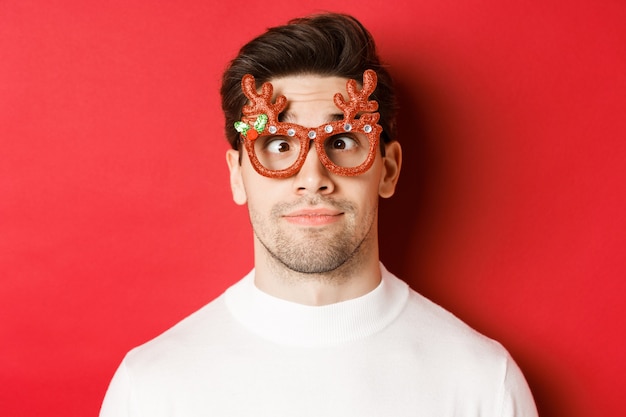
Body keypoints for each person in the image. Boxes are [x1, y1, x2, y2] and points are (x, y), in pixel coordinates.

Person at [99, 12, 538, 417]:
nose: (313, 178)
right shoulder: (152, 390)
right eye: (278, 144)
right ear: (238, 176)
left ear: (388, 169)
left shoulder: (482, 384)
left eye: (342, 142)